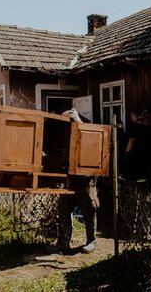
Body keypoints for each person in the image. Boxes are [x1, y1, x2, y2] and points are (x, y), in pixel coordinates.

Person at [50, 108, 100, 254]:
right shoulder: (64, 134)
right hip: (69, 180)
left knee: (89, 209)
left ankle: (91, 241)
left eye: (70, 120)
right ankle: (62, 242)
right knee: (64, 210)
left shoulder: (87, 134)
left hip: (85, 180)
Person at [124, 110, 151, 187]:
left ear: (135, 116)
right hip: (145, 153)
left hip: (135, 154)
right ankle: (142, 187)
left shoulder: (134, 127)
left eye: (132, 116)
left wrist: (127, 151)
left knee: (134, 174)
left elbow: (131, 140)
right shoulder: (147, 128)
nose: (131, 118)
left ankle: (135, 189)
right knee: (142, 173)